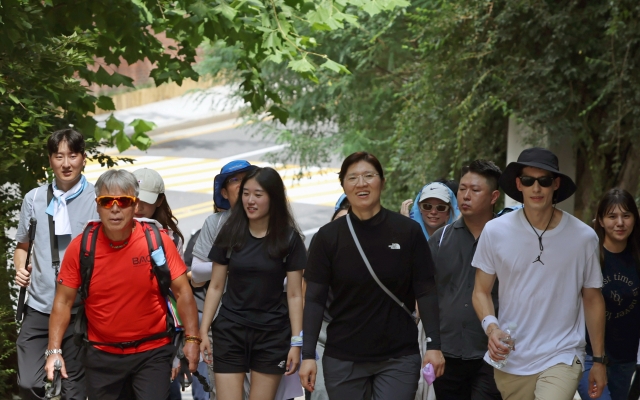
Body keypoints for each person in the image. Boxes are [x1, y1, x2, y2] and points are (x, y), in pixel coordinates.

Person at [300, 151, 444, 400]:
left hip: (398, 356)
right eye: (353, 177)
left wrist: (434, 345)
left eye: (369, 176)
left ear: (382, 181)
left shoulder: (407, 232)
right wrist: (308, 355)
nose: (361, 183)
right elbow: (313, 299)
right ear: (343, 185)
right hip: (343, 357)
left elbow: (426, 290)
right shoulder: (327, 237)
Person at [45, 169, 200, 399]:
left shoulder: (157, 240)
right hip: (101, 356)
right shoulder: (82, 246)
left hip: (152, 352)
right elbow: (63, 301)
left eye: (124, 201)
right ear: (97, 206)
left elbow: (183, 292)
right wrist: (54, 351)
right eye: (107, 202)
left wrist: (192, 339)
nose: (115, 208)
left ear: (135, 205)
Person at [472, 147, 606, 400]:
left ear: (555, 184)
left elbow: (592, 298)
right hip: (511, 357)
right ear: (518, 184)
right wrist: (492, 328)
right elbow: (480, 290)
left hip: (563, 354)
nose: (536, 188)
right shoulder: (494, 231)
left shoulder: (584, 237)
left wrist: (598, 360)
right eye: (528, 180)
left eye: (544, 181)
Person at [199, 167, 305, 400]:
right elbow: (216, 286)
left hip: (272, 334)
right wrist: (203, 330)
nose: (250, 200)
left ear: (273, 198)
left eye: (258, 194)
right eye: (246, 193)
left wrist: (297, 343)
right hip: (230, 330)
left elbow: (296, 295)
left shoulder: (289, 238)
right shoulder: (230, 232)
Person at [14, 129, 97, 400]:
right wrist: (19, 269)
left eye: (72, 156)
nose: (66, 163)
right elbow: (23, 245)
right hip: (39, 305)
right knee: (28, 383)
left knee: (75, 390)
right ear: (50, 160)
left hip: (80, 308)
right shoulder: (35, 198)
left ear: (83, 158)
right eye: (59, 156)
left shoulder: (98, 199)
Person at [427, 160, 502, 400]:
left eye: (475, 190)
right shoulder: (440, 239)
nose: (465, 196)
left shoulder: (508, 239)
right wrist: (432, 346)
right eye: (462, 189)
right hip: (447, 353)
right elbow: (426, 294)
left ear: (493, 196)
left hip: (493, 353)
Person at [190, 160, 256, 399]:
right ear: (224, 193)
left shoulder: (277, 224)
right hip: (223, 325)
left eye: (246, 177)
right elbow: (196, 273)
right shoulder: (215, 223)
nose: (242, 184)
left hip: (267, 326)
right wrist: (235, 266)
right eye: (234, 180)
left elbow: (290, 282)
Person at [577, 188, 640, 400]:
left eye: (626, 216)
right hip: (587, 355)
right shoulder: (589, 256)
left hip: (627, 359)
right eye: (612, 216)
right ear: (601, 221)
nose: (620, 223)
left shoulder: (637, 258)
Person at [132, 168, 187, 400]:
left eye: (145, 201)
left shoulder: (170, 238)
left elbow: (178, 295)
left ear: (159, 201)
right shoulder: (109, 233)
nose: (137, 208)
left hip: (160, 334)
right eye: (133, 200)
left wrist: (179, 352)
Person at [304, 194, 350, 400]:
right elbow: (307, 293)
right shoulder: (322, 242)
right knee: (320, 391)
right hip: (322, 331)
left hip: (359, 333)